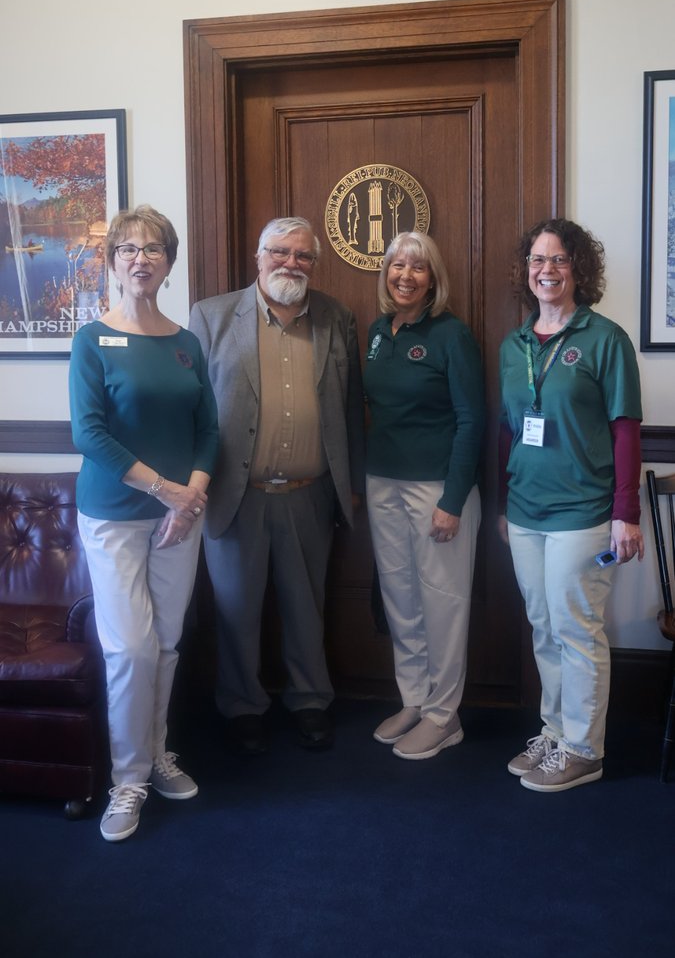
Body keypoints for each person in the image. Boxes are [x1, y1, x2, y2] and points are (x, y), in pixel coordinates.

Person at [69, 205, 219, 841]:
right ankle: (126, 780)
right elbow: (89, 434)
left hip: (177, 522)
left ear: (169, 262)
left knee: (165, 643)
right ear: (112, 262)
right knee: (128, 648)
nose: (140, 258)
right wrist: (167, 493)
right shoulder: (91, 340)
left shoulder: (186, 344)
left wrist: (193, 497)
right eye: (127, 248)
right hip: (114, 517)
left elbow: (207, 430)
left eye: (153, 248)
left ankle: (157, 757)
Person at [189, 216, 365, 753]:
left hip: (311, 492)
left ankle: (310, 699)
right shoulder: (212, 317)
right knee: (237, 608)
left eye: (303, 255)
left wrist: (351, 486)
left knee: (307, 606)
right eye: (280, 252)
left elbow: (352, 408)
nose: (291, 263)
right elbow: (194, 409)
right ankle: (243, 704)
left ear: (315, 263)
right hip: (235, 495)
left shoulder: (337, 317)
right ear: (259, 256)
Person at [498, 218, 644, 792]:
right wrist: (506, 505)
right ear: (526, 270)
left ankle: (585, 748)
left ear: (579, 269)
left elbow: (626, 430)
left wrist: (626, 514)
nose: (547, 270)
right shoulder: (515, 344)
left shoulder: (604, 339)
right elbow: (509, 429)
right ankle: (555, 733)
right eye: (538, 259)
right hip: (526, 510)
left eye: (559, 260)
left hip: (584, 512)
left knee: (577, 628)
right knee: (543, 627)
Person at [364, 231, 485, 760]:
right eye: (396, 265)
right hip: (381, 482)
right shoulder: (376, 331)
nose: (405, 275)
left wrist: (454, 499)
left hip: (437, 487)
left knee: (443, 603)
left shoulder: (451, 335)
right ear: (385, 273)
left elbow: (471, 419)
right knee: (401, 599)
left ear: (433, 278)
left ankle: (444, 715)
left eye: (417, 267)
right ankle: (415, 698)